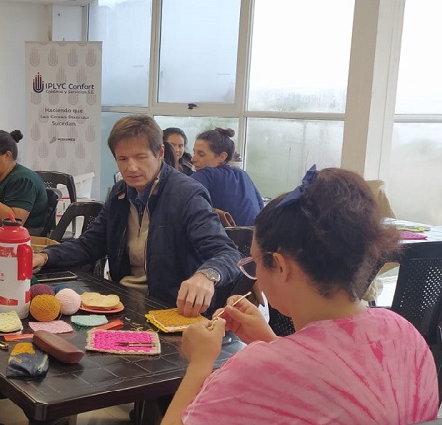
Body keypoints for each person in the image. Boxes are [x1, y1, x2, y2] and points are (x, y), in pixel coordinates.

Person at [162, 167, 439, 425]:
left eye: (255, 263)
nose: (255, 272)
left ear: (280, 267)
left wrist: (199, 364)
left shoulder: (253, 370)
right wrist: (270, 342)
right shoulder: (403, 333)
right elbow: (331, 386)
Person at [33, 116, 241, 317]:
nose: (131, 167)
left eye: (140, 157)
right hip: (124, 303)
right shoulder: (120, 193)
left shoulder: (187, 195)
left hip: (171, 309)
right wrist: (45, 256)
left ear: (159, 153)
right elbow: (90, 244)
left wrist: (206, 276)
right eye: (122, 159)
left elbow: (227, 253)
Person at [190, 128, 263, 226]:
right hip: (253, 236)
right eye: (194, 153)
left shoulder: (205, 175)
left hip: (226, 239)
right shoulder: (243, 174)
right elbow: (260, 207)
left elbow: (178, 201)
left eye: (201, 154)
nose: (193, 159)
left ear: (222, 157)